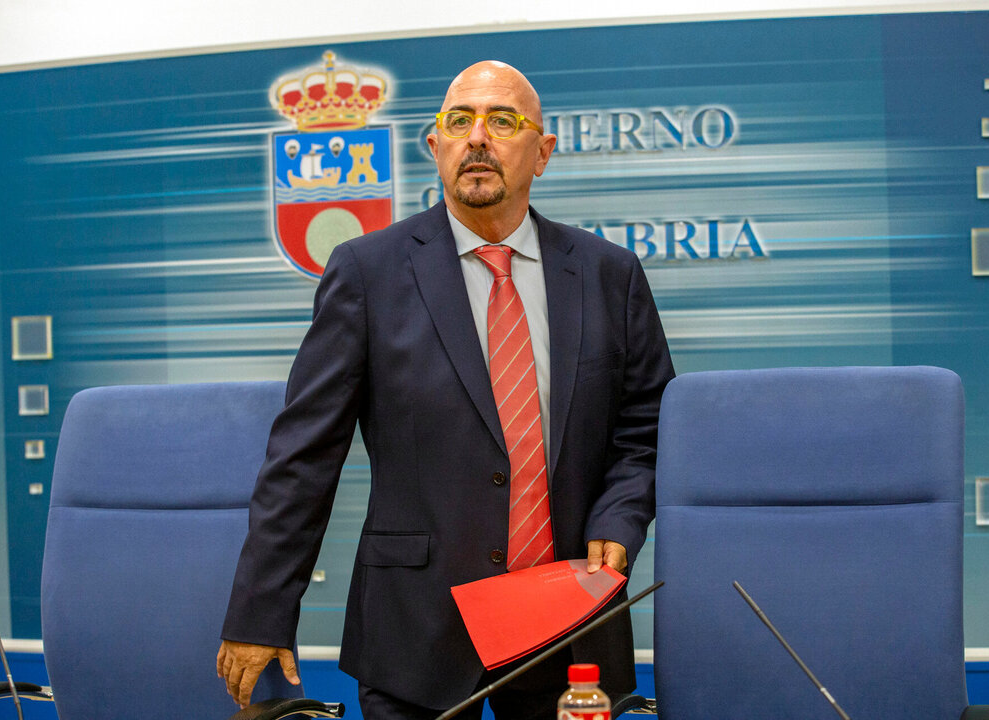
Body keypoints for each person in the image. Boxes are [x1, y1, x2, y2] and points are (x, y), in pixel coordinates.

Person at [217, 59, 675, 720]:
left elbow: (648, 424)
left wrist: (620, 517)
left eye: (503, 121)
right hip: (415, 631)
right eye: (459, 121)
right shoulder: (367, 272)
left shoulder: (610, 274)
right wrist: (261, 610)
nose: (478, 137)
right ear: (435, 146)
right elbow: (303, 455)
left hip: (568, 625)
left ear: (543, 152)